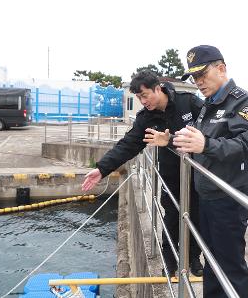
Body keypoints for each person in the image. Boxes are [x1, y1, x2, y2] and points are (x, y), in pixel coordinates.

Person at [81, 70, 204, 277]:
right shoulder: (146, 118)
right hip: (171, 175)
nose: (142, 101)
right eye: (138, 97)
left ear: (158, 88)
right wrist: (102, 168)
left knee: (197, 218)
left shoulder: (189, 103)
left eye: (145, 95)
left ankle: (193, 257)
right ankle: (170, 261)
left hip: (198, 174)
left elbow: (210, 130)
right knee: (172, 218)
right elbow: (128, 145)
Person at [174, 45, 248, 297]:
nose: (198, 82)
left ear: (221, 68)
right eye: (194, 77)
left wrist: (206, 144)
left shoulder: (242, 100)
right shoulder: (207, 104)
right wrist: (175, 141)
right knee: (211, 260)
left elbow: (246, 145)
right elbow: (202, 143)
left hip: (228, 197)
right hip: (207, 195)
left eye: (202, 75)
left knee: (229, 265)